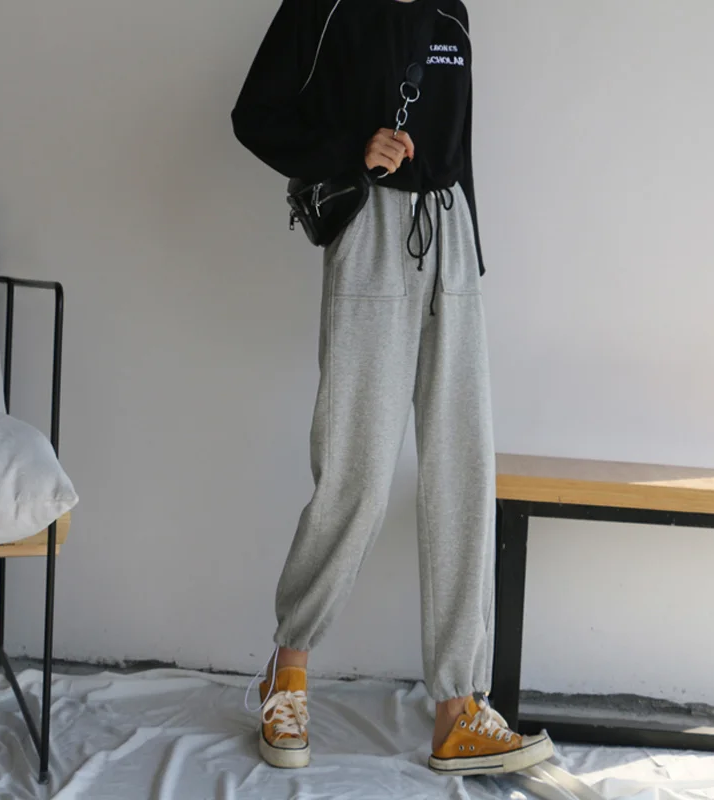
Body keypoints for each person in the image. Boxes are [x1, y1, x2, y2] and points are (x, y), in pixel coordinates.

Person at [231, 0, 553, 777]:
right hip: (372, 232)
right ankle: (288, 670)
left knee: (462, 469)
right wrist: (352, 146)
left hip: (452, 233)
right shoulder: (325, 6)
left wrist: (468, 254)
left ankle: (457, 709)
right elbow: (255, 117)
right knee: (358, 471)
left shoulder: (451, 11)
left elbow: (459, 140)